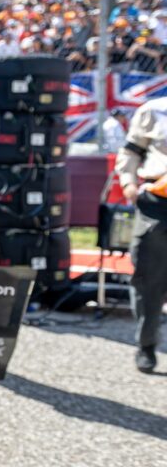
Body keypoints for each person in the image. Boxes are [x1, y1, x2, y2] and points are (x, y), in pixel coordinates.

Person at [116, 97, 167, 373]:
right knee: (149, 277)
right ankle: (146, 344)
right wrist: (129, 183)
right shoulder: (154, 109)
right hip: (158, 200)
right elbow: (131, 150)